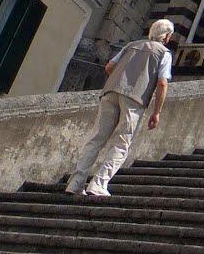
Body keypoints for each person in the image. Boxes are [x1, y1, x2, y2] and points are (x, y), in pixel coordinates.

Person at [67, 19, 175, 196]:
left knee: (96, 139)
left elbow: (109, 67)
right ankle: (99, 184)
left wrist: (120, 78)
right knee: (122, 142)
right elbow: (162, 83)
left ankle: (75, 183)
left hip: (110, 92)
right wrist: (156, 112)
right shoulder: (164, 53)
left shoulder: (131, 45)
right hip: (135, 98)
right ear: (167, 37)